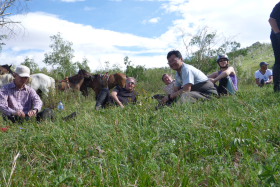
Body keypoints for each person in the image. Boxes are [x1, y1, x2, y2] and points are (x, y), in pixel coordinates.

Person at [269, 2, 280, 92]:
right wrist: (278, 34)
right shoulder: (279, 5)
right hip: (277, 35)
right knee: (279, 60)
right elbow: (271, 20)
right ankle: (277, 87)